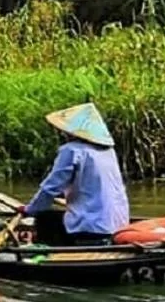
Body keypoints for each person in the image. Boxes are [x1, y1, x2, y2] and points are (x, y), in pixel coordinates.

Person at [21, 102, 130, 245]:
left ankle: (50, 257)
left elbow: (50, 188)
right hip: (119, 224)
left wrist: (30, 210)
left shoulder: (72, 150)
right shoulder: (108, 152)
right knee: (55, 217)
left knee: (44, 218)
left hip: (92, 228)